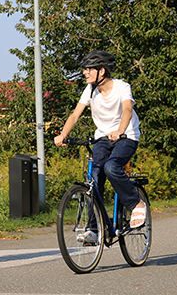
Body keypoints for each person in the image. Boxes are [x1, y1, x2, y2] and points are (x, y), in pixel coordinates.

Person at [53, 50, 147, 244]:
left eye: (88, 69)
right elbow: (75, 115)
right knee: (94, 178)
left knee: (112, 168)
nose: (84, 73)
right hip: (102, 139)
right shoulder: (90, 91)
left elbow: (127, 110)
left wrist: (120, 131)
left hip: (126, 136)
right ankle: (94, 229)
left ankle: (135, 203)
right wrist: (63, 134)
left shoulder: (122, 87)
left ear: (101, 71)